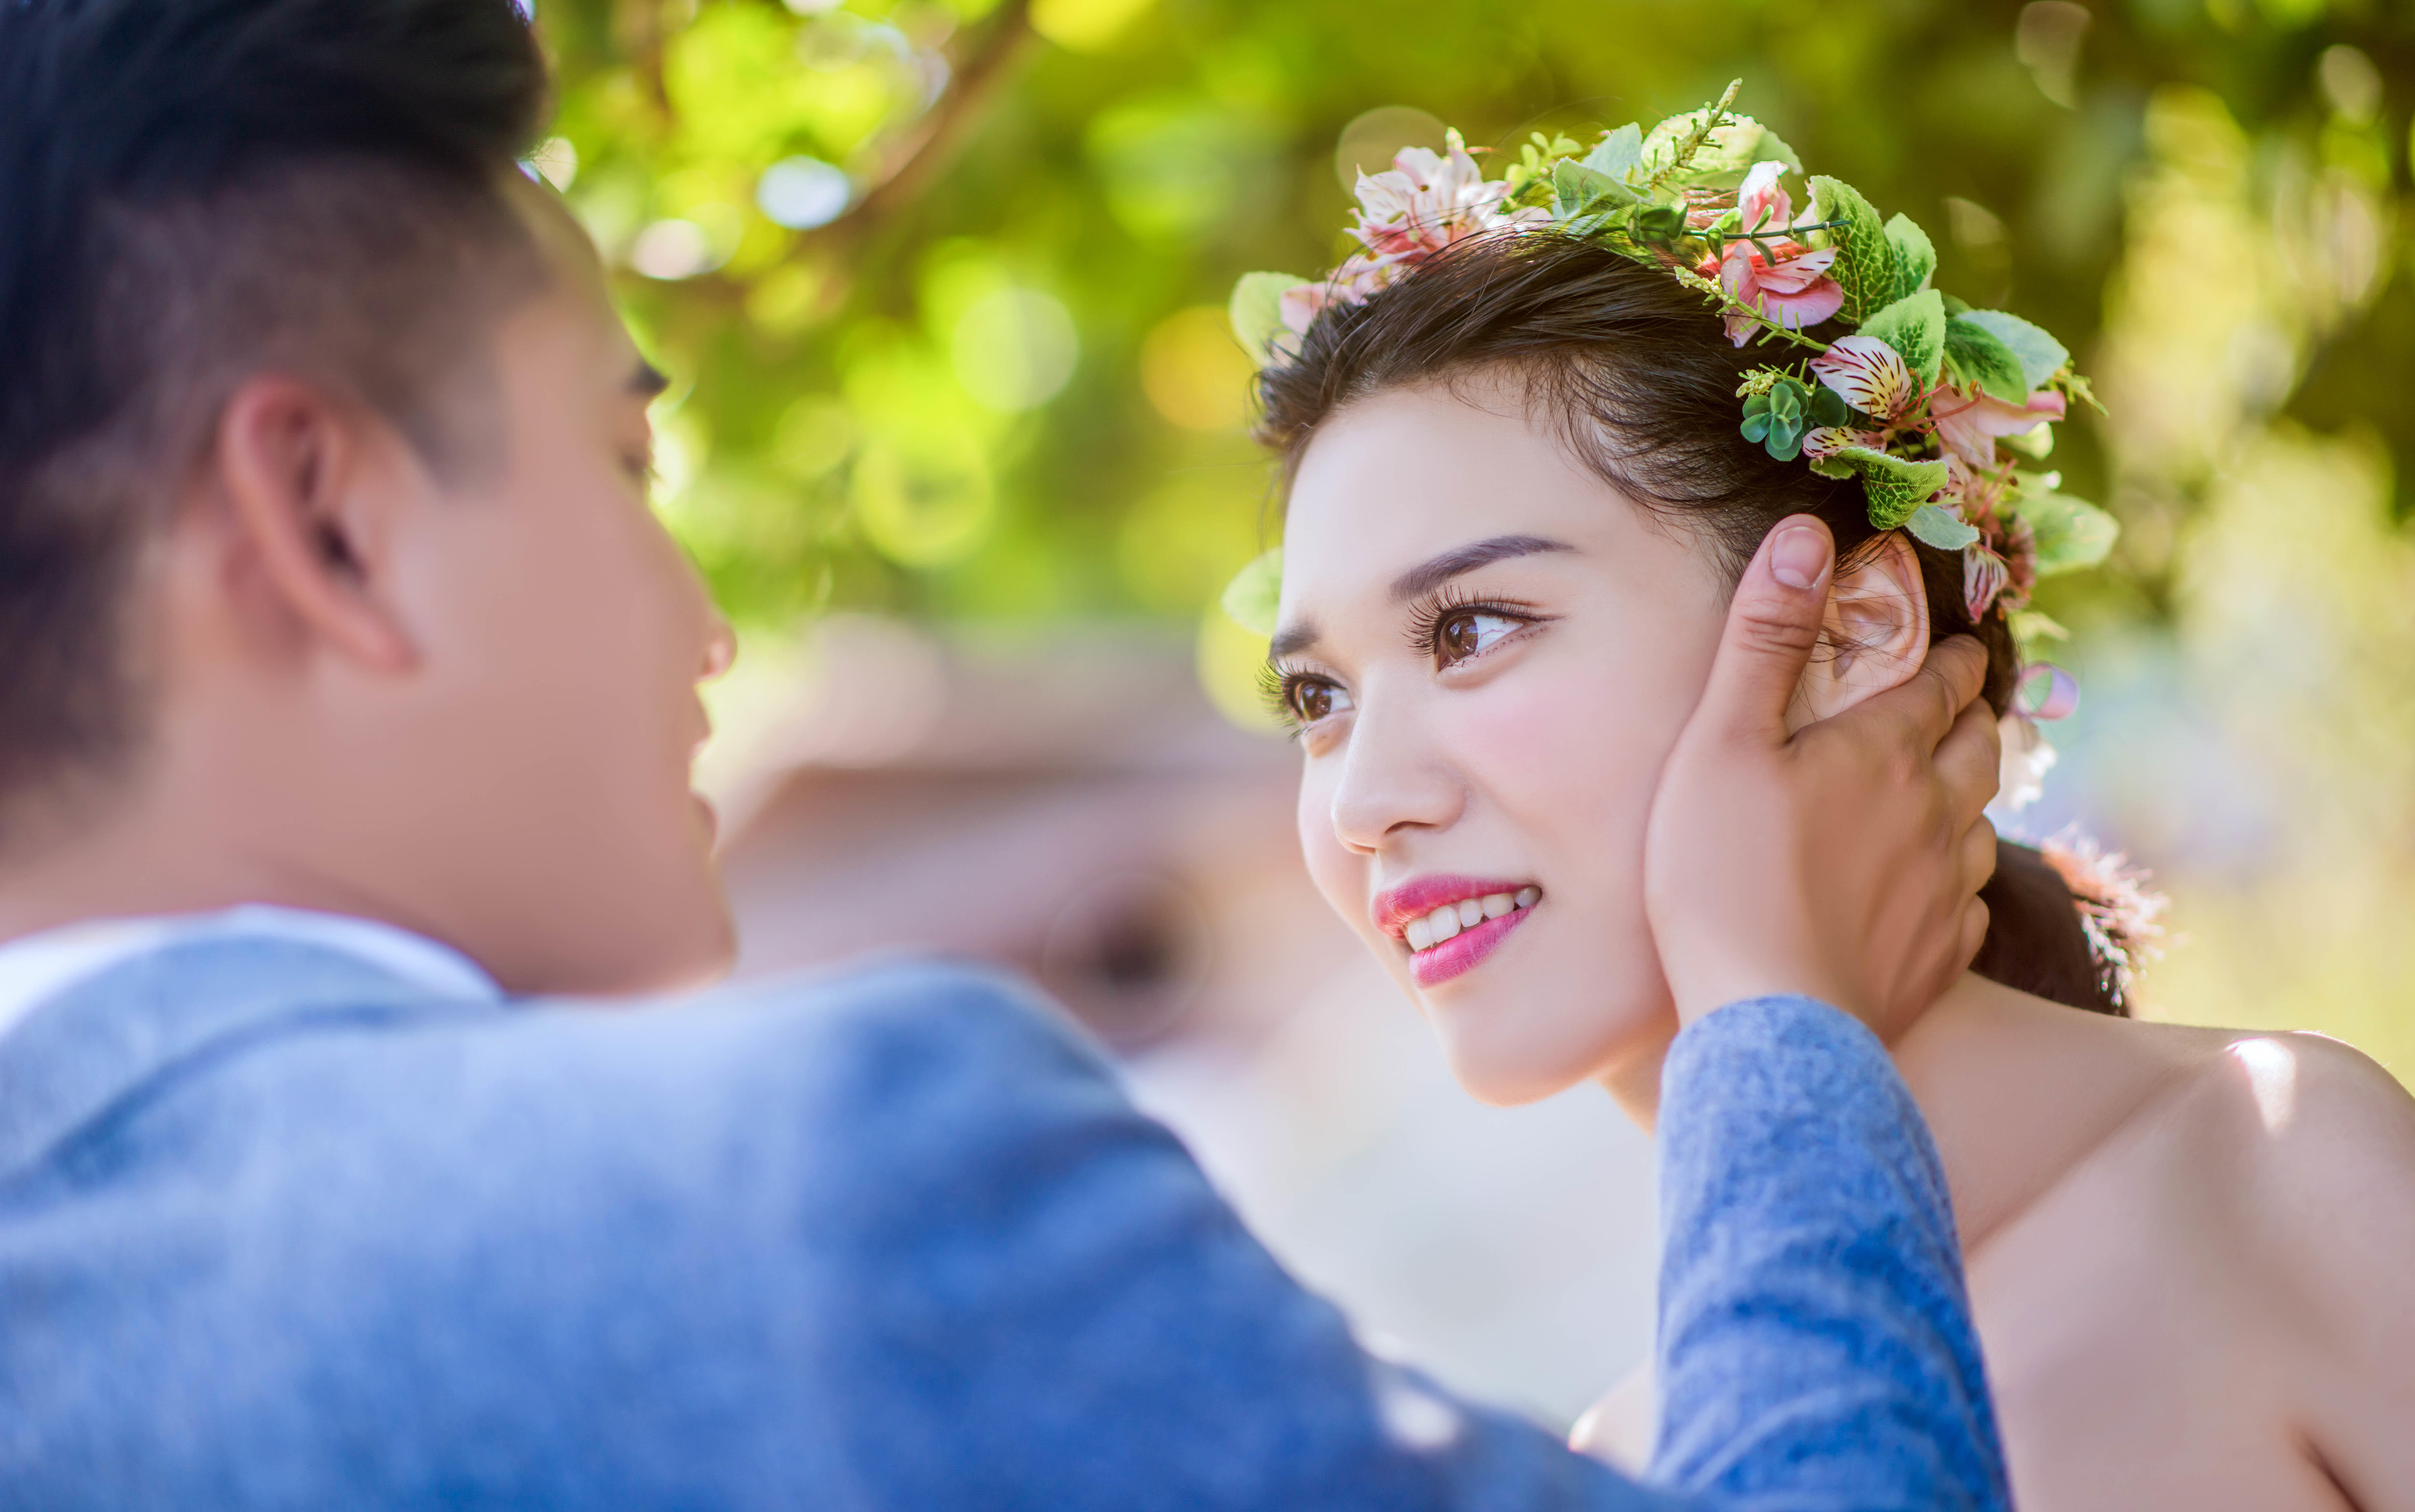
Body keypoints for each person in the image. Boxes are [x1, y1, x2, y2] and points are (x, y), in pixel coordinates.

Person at [0, 2, 2027, 1508]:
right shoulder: (808, 1201)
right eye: (623, 465)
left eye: (1473, 630)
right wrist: (1782, 1032)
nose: (703, 626)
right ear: (331, 520)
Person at [1240, 103, 2415, 1512]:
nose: (1364, 802)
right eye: (1316, 699)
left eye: (1473, 627)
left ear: (1847, 632)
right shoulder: (1623, 1460)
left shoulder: (2275, 1169)